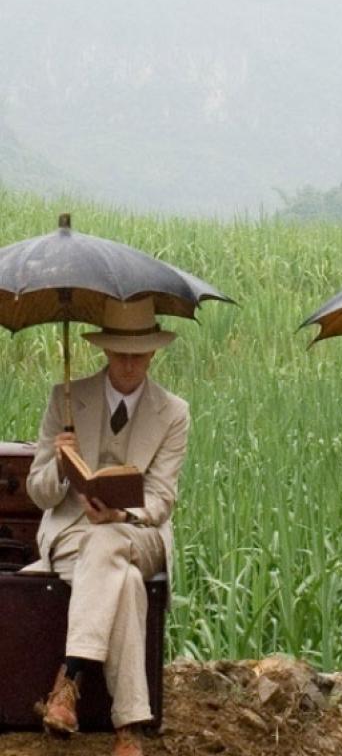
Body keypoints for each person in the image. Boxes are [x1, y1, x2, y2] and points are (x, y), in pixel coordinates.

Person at [25, 297, 190, 756]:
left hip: (140, 535)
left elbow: (162, 499)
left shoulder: (174, 411)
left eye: (138, 354)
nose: (129, 364)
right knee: (127, 585)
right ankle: (130, 727)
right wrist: (61, 464)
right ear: (104, 350)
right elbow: (38, 493)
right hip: (73, 536)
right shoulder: (65, 398)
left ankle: (70, 677)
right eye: (120, 354)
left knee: (107, 539)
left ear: (153, 352)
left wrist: (120, 515)